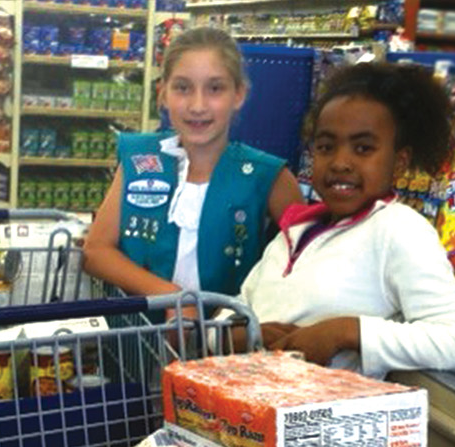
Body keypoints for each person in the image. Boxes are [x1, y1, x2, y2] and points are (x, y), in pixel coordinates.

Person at [229, 62, 455, 377]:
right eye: (326, 147)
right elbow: (241, 304)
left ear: (399, 162)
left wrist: (347, 332)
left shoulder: (399, 230)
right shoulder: (296, 231)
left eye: (363, 148)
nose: (340, 163)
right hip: (251, 401)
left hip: (325, 407)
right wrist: (237, 334)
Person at [82, 28, 303, 306]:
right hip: (140, 331)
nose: (198, 106)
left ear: (238, 94)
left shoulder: (269, 177)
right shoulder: (140, 160)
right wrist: (173, 297)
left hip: (231, 331)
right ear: (163, 93)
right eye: (183, 88)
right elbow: (95, 252)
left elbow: (306, 269)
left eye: (215, 88)